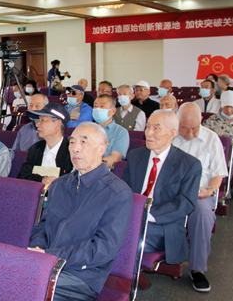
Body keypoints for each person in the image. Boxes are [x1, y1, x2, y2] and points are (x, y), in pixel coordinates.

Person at [29, 122, 133, 301]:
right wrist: (38, 250)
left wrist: (51, 257)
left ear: (102, 149)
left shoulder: (117, 192)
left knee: (22, 285)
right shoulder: (59, 185)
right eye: (72, 142)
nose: (75, 148)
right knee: (1, 272)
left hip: (81, 275)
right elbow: (43, 227)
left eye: (83, 142)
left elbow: (103, 248)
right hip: (46, 263)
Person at [122, 110, 201, 267]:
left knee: (122, 235)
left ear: (172, 133)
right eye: (148, 127)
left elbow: (186, 203)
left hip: (163, 227)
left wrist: (147, 215)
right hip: (131, 218)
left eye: (156, 128)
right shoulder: (135, 156)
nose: (148, 133)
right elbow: (124, 191)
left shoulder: (189, 164)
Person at [172, 103, 227, 292]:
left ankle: (198, 269)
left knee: (202, 213)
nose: (189, 133)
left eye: (194, 128)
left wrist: (210, 190)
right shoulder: (171, 135)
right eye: (184, 128)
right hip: (172, 190)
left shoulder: (211, 139)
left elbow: (218, 173)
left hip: (200, 192)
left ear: (201, 120)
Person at [18, 103, 72, 185]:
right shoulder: (35, 149)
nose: (37, 124)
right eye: (38, 120)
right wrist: (42, 180)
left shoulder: (71, 151)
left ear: (57, 124)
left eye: (42, 120)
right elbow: (22, 177)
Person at [93, 95, 129, 168]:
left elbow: (114, 158)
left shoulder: (120, 132)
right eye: (95, 106)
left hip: (103, 171)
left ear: (113, 111)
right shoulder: (87, 129)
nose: (97, 109)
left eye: (102, 106)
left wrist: (90, 165)